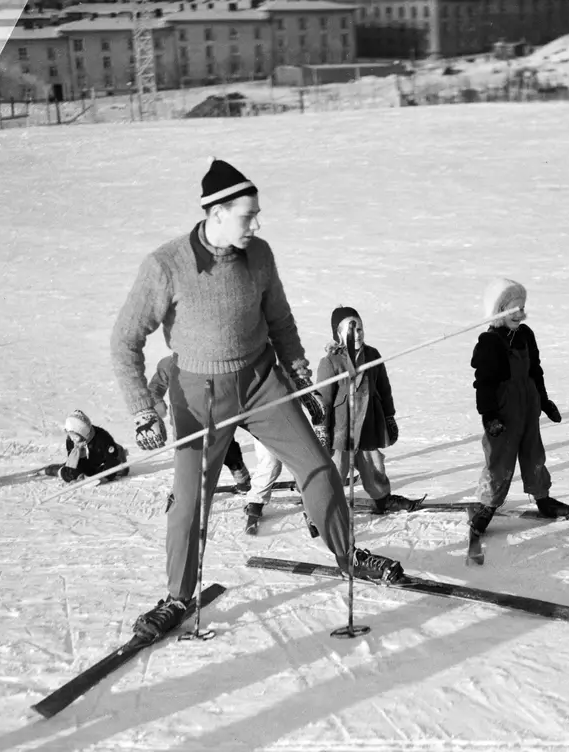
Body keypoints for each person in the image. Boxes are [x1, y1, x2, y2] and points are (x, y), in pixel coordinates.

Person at [110, 158, 401, 641]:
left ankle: (349, 553)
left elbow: (281, 323)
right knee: (188, 501)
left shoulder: (259, 255)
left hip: (263, 381)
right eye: (249, 215)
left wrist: (302, 379)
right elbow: (125, 341)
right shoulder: (166, 266)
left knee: (317, 466)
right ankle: (177, 596)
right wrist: (144, 408)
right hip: (198, 395)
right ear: (217, 212)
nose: (257, 224)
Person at [467, 278, 569, 539]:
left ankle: (543, 498)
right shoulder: (490, 342)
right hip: (503, 411)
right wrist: (490, 416)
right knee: (500, 459)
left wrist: (544, 400)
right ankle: (487, 505)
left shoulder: (526, 335)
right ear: (499, 310)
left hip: (529, 405)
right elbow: (484, 383)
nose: (521, 313)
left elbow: (535, 370)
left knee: (533, 453)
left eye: (522, 307)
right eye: (514, 308)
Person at [313, 305, 416, 516]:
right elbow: (322, 400)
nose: (356, 334)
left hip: (368, 423)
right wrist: (322, 429)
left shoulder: (372, 355)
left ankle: (382, 499)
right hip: (341, 429)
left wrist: (389, 416)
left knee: (374, 466)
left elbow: (384, 388)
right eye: (350, 330)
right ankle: (321, 509)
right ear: (338, 334)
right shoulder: (331, 362)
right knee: (336, 470)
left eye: (359, 328)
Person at [149, 354, 251, 492]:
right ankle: (183, 493)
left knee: (226, 448)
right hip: (184, 423)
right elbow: (155, 388)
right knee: (186, 458)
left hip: (215, 418)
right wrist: (157, 403)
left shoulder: (212, 360)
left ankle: (239, 470)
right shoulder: (168, 364)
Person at [52, 409, 129, 484]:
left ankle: (119, 452)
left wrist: (105, 477)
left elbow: (111, 460)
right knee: (68, 473)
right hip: (88, 463)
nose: (73, 439)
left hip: (103, 460)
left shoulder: (102, 438)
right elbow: (73, 460)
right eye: (70, 434)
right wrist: (79, 475)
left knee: (121, 470)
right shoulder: (70, 440)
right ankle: (51, 470)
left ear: (83, 433)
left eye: (75, 436)